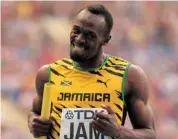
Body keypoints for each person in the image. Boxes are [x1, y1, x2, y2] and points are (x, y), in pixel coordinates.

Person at [28, 4, 156, 139]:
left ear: (106, 40)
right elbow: (34, 113)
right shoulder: (48, 74)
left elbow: (149, 134)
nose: (79, 39)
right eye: (76, 30)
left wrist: (118, 132)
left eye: (90, 35)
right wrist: (33, 123)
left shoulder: (129, 76)